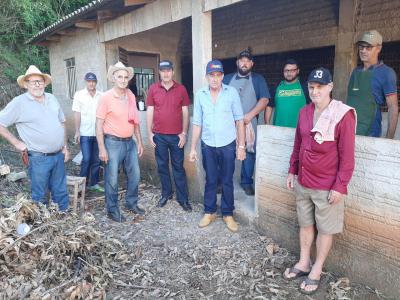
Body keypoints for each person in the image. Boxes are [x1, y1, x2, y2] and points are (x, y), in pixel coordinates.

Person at [284, 68, 356, 295]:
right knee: (305, 223)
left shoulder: (342, 115)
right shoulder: (304, 112)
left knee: (325, 228)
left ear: (330, 87)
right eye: (311, 87)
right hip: (304, 180)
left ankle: (317, 268)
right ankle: (304, 261)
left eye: (320, 87)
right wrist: (292, 170)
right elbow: (298, 143)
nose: (315, 91)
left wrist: (340, 185)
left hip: (327, 184)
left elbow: (347, 156)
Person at [0, 65, 69, 210]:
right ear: (26, 84)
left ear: (44, 83)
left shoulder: (51, 98)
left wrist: (65, 147)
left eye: (40, 81)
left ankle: (64, 220)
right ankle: (43, 226)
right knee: (40, 195)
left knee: (61, 191)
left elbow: (62, 122)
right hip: (38, 158)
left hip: (58, 156)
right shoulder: (19, 102)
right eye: (33, 81)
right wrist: (16, 142)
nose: (37, 84)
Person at [189, 59, 246, 232]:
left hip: (228, 144)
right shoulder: (200, 95)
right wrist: (192, 148)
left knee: (227, 180)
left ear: (222, 76)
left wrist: (241, 146)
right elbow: (197, 122)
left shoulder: (231, 93)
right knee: (211, 179)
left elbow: (239, 120)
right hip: (208, 144)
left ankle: (228, 214)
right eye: (211, 75)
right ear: (207, 77)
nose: (215, 79)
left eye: (218, 75)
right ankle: (210, 211)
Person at [96, 62, 144, 222]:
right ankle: (112, 210)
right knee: (112, 179)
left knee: (135, 175)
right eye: (120, 77)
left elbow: (135, 120)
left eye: (125, 77)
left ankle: (131, 203)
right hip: (112, 143)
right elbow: (98, 125)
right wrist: (102, 149)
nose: (123, 80)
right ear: (113, 79)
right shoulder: (105, 98)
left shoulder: (130, 95)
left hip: (130, 143)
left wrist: (140, 142)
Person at [146, 60, 192, 211]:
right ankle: (166, 194)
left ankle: (183, 198)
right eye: (163, 70)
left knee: (178, 167)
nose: (166, 73)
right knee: (162, 166)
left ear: (172, 72)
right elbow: (150, 111)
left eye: (168, 70)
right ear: (159, 72)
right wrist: (149, 133)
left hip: (176, 136)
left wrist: (184, 133)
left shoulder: (181, 89)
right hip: (159, 136)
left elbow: (185, 112)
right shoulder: (153, 89)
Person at [223, 49, 270, 196]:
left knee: (249, 152)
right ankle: (223, 181)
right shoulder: (227, 79)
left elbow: (264, 100)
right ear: (237, 62)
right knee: (226, 151)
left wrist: (250, 115)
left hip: (249, 122)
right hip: (228, 123)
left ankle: (246, 182)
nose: (244, 63)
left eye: (247, 61)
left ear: (251, 63)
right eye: (241, 60)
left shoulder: (258, 79)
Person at [347, 29, 398, 138]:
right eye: (361, 47)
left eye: (368, 47)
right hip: (348, 132)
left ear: (378, 48)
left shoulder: (386, 73)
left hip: (369, 134)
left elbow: (393, 107)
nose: (363, 51)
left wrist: (389, 139)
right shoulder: (355, 72)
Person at [72, 72, 103, 192]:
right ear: (86, 82)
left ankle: (93, 184)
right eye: (89, 81)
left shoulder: (101, 95)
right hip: (84, 133)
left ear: (96, 82)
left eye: (93, 81)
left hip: (98, 133)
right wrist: (77, 131)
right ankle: (81, 185)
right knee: (86, 159)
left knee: (96, 160)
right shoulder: (79, 95)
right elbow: (77, 114)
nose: (91, 83)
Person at [264, 59, 310, 127]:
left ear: (298, 71)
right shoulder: (276, 87)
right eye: (286, 70)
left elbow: (314, 106)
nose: (289, 73)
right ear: (283, 71)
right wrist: (267, 124)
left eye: (292, 70)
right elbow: (269, 106)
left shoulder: (305, 87)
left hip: (299, 130)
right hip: (279, 129)